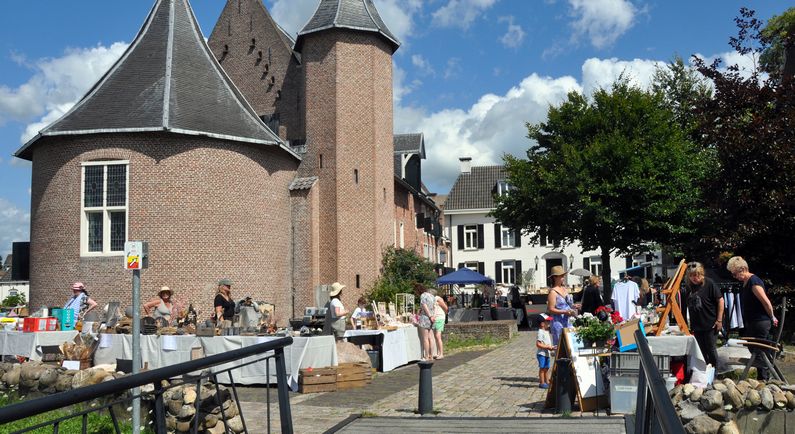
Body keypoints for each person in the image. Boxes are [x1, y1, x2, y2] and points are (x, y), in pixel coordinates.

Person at [727, 256, 778, 380]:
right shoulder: (746, 282)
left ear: (743, 269)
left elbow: (765, 302)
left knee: (759, 350)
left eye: (735, 274)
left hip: (761, 321)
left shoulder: (754, 281)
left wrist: (772, 316)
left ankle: (765, 376)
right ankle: (763, 376)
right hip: (753, 321)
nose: (735, 277)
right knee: (755, 348)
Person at [684, 262, 724, 369]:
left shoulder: (709, 283)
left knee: (710, 348)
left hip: (710, 323)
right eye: (692, 275)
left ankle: (714, 371)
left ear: (701, 274)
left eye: (697, 275)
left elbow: (720, 300)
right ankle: (704, 372)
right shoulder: (689, 286)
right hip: (697, 325)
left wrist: (719, 320)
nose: (694, 278)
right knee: (701, 349)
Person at [546, 266, 577, 346]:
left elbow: (567, 304)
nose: (563, 277)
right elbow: (550, 309)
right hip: (558, 323)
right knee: (561, 347)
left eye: (563, 275)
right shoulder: (553, 292)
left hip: (568, 321)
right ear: (555, 277)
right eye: (561, 276)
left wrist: (574, 306)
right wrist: (564, 312)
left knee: (571, 345)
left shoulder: (564, 289)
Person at [536, 314, 556, 389]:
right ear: (542, 324)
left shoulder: (546, 331)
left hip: (546, 353)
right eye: (547, 321)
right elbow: (538, 344)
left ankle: (547, 381)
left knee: (547, 368)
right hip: (541, 354)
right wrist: (547, 347)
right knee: (542, 368)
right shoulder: (540, 332)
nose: (549, 323)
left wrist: (551, 347)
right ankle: (542, 382)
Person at [417, 283, 436, 360]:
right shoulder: (432, 296)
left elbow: (424, 306)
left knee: (425, 338)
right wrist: (433, 316)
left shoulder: (423, 296)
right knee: (431, 337)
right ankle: (431, 355)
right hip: (432, 318)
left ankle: (427, 356)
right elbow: (434, 307)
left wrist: (429, 316)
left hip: (425, 317)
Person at [431, 289, 448, 359]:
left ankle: (441, 353)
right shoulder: (432, 299)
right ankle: (438, 353)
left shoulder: (438, 298)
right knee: (435, 336)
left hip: (439, 318)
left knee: (438, 336)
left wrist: (445, 313)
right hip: (435, 318)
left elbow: (446, 308)